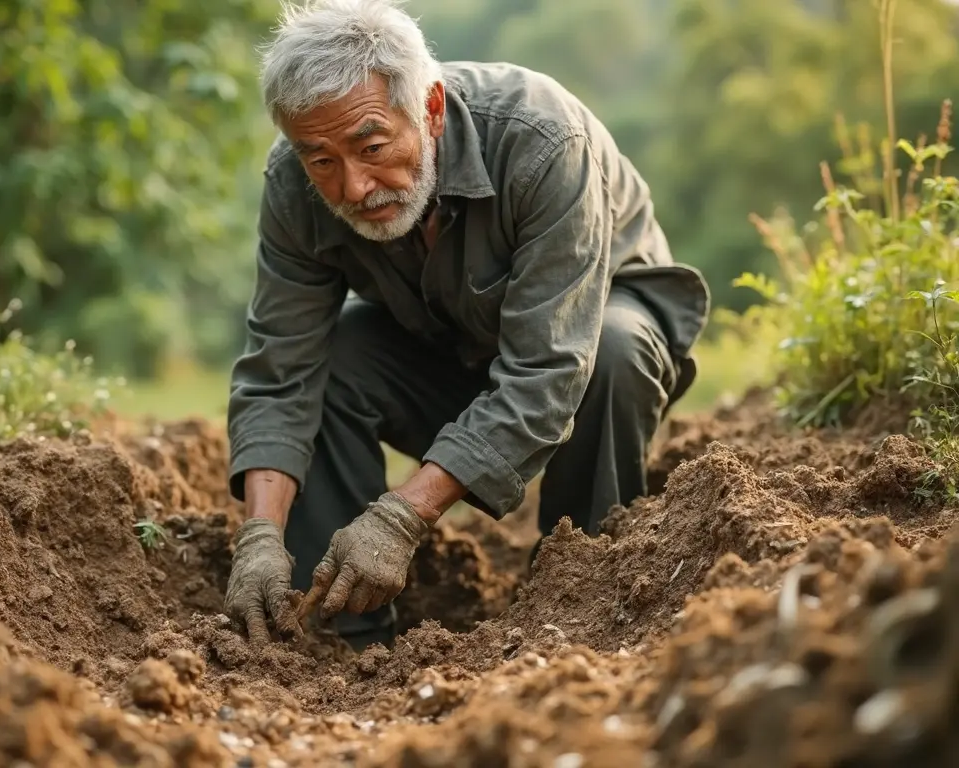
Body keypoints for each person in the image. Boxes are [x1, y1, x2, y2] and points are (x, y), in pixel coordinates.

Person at [221, 0, 710, 652]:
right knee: (334, 357)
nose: (355, 187)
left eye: (371, 147)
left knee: (614, 349)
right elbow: (281, 366)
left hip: (591, 354)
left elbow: (549, 367)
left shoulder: (543, 142)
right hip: (449, 350)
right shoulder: (294, 184)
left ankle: (588, 599)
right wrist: (258, 537)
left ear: (429, 109)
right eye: (323, 162)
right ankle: (339, 633)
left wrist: (402, 518)